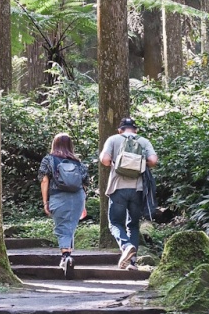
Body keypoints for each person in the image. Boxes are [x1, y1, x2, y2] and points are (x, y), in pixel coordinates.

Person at [100, 115, 158, 269]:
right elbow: (153, 161)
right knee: (133, 225)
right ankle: (132, 262)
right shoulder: (143, 141)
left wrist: (116, 162)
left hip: (118, 187)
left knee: (115, 223)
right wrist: (139, 163)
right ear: (135, 129)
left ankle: (126, 247)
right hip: (138, 189)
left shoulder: (113, 139)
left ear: (120, 130)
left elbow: (105, 160)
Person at [38, 133, 89, 276]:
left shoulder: (49, 159)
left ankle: (66, 256)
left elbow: (44, 180)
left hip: (58, 196)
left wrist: (45, 201)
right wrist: (83, 205)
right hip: (77, 197)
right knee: (70, 226)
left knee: (61, 227)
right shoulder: (78, 162)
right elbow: (84, 185)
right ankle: (68, 256)